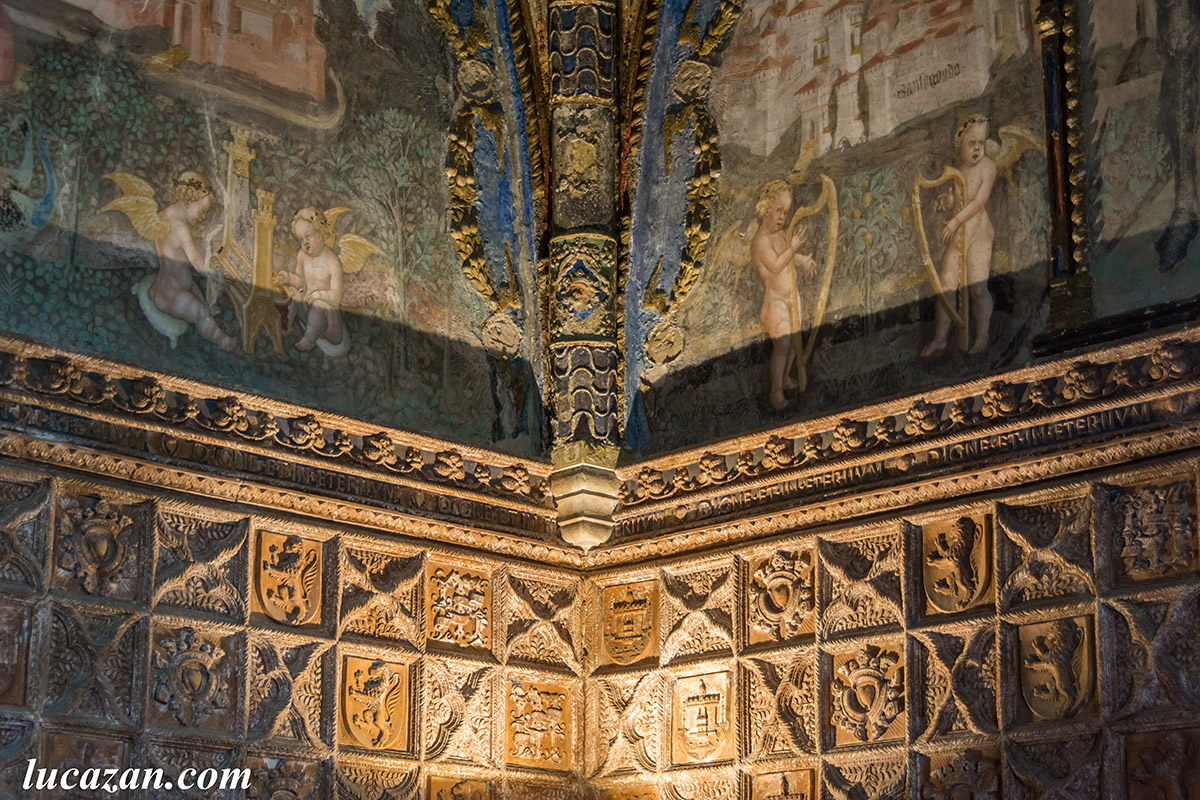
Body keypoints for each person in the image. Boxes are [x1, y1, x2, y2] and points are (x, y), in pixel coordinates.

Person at [920, 114, 997, 358]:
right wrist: (949, 202)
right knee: (946, 286)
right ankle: (940, 339)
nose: (977, 149)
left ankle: (982, 335)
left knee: (977, 288)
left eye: (981, 143)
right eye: (971, 143)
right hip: (960, 236)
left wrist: (955, 220)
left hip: (979, 235)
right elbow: (960, 200)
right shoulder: (958, 171)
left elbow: (978, 202)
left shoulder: (988, 167)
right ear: (959, 144)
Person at [148, 172, 235, 351]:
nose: (202, 217)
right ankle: (224, 342)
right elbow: (198, 263)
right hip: (173, 296)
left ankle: (207, 307)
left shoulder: (162, 216)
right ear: (188, 201)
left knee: (192, 285)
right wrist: (219, 275)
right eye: (202, 211)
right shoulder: (181, 228)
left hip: (161, 288)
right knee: (203, 316)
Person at [751, 180, 817, 410]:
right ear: (765, 208)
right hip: (775, 301)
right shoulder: (761, 241)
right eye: (778, 210)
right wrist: (795, 247)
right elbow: (777, 265)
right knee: (783, 344)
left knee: (793, 344)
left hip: (792, 297)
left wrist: (802, 260)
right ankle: (775, 391)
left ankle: (786, 377)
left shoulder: (780, 235)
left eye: (786, 212)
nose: (782, 217)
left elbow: (787, 258)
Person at [276, 206, 345, 353]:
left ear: (320, 234)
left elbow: (336, 296)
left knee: (319, 304)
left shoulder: (332, 262)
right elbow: (301, 281)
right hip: (308, 312)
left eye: (308, 236)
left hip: (329, 325)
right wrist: (288, 277)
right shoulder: (302, 256)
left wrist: (317, 295)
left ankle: (309, 338)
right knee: (294, 292)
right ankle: (287, 325)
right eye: (301, 239)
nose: (305, 242)